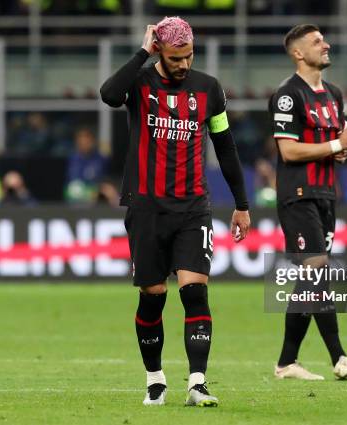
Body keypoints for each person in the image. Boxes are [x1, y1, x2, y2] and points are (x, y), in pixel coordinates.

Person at [100, 16, 250, 407]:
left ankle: (197, 383)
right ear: (159, 51)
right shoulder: (140, 81)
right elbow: (108, 94)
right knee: (153, 296)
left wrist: (241, 203)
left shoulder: (209, 89)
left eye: (189, 55)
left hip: (192, 207)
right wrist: (142, 52)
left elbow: (226, 146)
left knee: (195, 291)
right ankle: (155, 380)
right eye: (174, 56)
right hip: (146, 206)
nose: (183, 63)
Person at [269, 24, 347, 381]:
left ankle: (286, 362)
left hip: (325, 196)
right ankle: (338, 357)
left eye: (324, 40)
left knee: (310, 280)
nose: (326, 45)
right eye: (317, 42)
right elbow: (289, 150)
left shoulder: (334, 94)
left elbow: (332, 149)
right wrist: (336, 146)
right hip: (297, 196)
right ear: (298, 53)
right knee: (318, 269)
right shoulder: (287, 96)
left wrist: (343, 150)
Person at [64, 128, 107, 204]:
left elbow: (104, 180)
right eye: (81, 142)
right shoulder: (73, 160)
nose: (84, 144)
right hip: (76, 195)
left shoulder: (101, 159)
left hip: (98, 197)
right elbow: (74, 184)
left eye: (87, 141)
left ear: (93, 141)